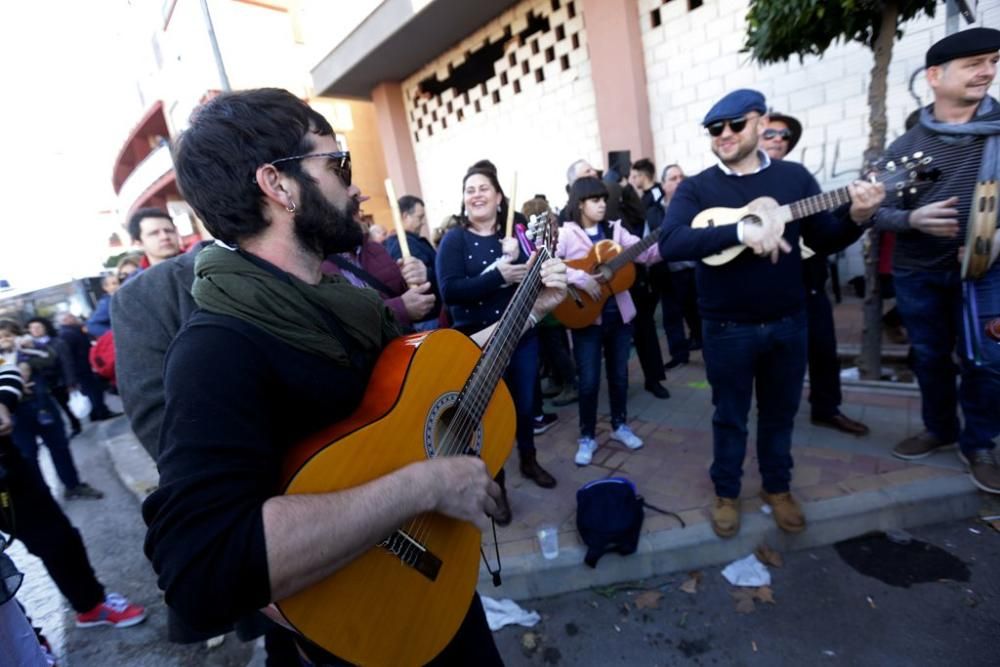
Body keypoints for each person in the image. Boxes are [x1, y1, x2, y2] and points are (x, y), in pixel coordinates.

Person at [142, 88, 566, 665]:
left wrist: (530, 310)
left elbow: (423, 378)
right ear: (279, 185)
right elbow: (202, 566)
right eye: (336, 163)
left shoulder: (344, 301)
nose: (355, 183)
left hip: (436, 591)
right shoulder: (217, 349)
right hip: (363, 627)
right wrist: (428, 485)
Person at [658, 89, 885, 538]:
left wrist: (858, 217)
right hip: (726, 328)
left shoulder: (795, 179)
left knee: (780, 413)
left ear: (761, 123)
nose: (723, 134)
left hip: (788, 321)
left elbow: (821, 239)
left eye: (734, 125)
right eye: (714, 129)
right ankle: (726, 491)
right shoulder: (698, 187)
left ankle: (776, 488)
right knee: (729, 415)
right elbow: (672, 242)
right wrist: (741, 230)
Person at [873, 27, 1000, 494]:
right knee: (929, 356)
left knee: (987, 361)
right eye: (973, 64)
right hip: (917, 270)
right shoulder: (903, 148)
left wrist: (992, 241)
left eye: (992, 61)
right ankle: (940, 427)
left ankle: (980, 443)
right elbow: (871, 211)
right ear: (934, 76)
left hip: (990, 273)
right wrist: (913, 219)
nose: (987, 72)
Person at [437, 166, 561, 520]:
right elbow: (450, 292)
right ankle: (498, 483)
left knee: (524, 406)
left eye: (483, 188)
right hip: (479, 343)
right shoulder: (454, 240)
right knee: (489, 418)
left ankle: (530, 460)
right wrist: (497, 275)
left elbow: (541, 276)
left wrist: (523, 254)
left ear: (498, 196)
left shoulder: (517, 235)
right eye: (469, 190)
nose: (476, 194)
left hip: (521, 336)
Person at [0, 346, 146, 632]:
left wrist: (2, 401)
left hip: (7, 469)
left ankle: (89, 605)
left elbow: (7, 370)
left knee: (57, 538)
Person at [763, 112, 869, 437]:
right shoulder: (736, 184)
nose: (778, 138)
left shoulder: (800, 180)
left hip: (808, 282)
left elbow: (825, 232)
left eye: (784, 135)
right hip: (764, 288)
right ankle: (771, 415)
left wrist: (858, 213)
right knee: (768, 360)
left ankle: (826, 408)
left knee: (823, 348)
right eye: (770, 132)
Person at [559, 176, 663, 465]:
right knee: (589, 381)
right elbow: (548, 264)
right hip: (584, 318)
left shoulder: (616, 231)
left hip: (619, 318)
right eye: (595, 200)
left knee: (619, 376)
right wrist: (581, 277)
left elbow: (647, 253)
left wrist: (670, 239)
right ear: (580, 204)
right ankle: (587, 436)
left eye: (604, 199)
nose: (602, 204)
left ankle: (620, 426)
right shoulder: (566, 234)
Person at [0, 321, 103, 500]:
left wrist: (25, 351)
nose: (4, 340)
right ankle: (42, 496)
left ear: (16, 335)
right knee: (28, 456)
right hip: (16, 413)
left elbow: (50, 359)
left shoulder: (29, 349)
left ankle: (73, 485)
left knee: (60, 447)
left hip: (43, 405)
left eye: (7, 336)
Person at [624, 158, 670, 399]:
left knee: (646, 330)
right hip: (609, 289)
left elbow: (647, 247)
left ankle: (654, 379)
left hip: (638, 281)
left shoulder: (637, 210)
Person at [656, 164, 703, 369]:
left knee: (699, 313)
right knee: (672, 316)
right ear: (663, 185)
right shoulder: (655, 211)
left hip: (695, 268)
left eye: (681, 177)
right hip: (669, 272)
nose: (679, 181)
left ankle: (708, 351)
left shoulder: (696, 204)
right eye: (673, 178)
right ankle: (679, 355)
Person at [384, 195, 443, 331]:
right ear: (405, 216)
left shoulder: (414, 241)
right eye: (419, 217)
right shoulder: (402, 245)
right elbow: (415, 282)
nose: (422, 223)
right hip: (426, 319)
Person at [25, 316, 81, 437]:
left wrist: (70, 382)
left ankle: (75, 424)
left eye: (38, 327)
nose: (35, 330)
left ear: (45, 328)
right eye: (32, 328)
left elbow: (67, 362)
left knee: (66, 404)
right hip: (43, 384)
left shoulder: (57, 342)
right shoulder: (29, 347)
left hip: (59, 380)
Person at [56, 313, 117, 422]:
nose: (74, 318)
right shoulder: (67, 334)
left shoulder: (72, 331)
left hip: (83, 367)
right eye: (70, 317)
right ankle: (101, 412)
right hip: (82, 368)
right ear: (65, 320)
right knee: (93, 391)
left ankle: (96, 413)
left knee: (92, 390)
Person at [85, 274, 120, 338]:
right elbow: (92, 325)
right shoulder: (108, 302)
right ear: (105, 287)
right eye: (114, 283)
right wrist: (118, 334)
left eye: (119, 282)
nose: (118, 285)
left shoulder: (116, 298)